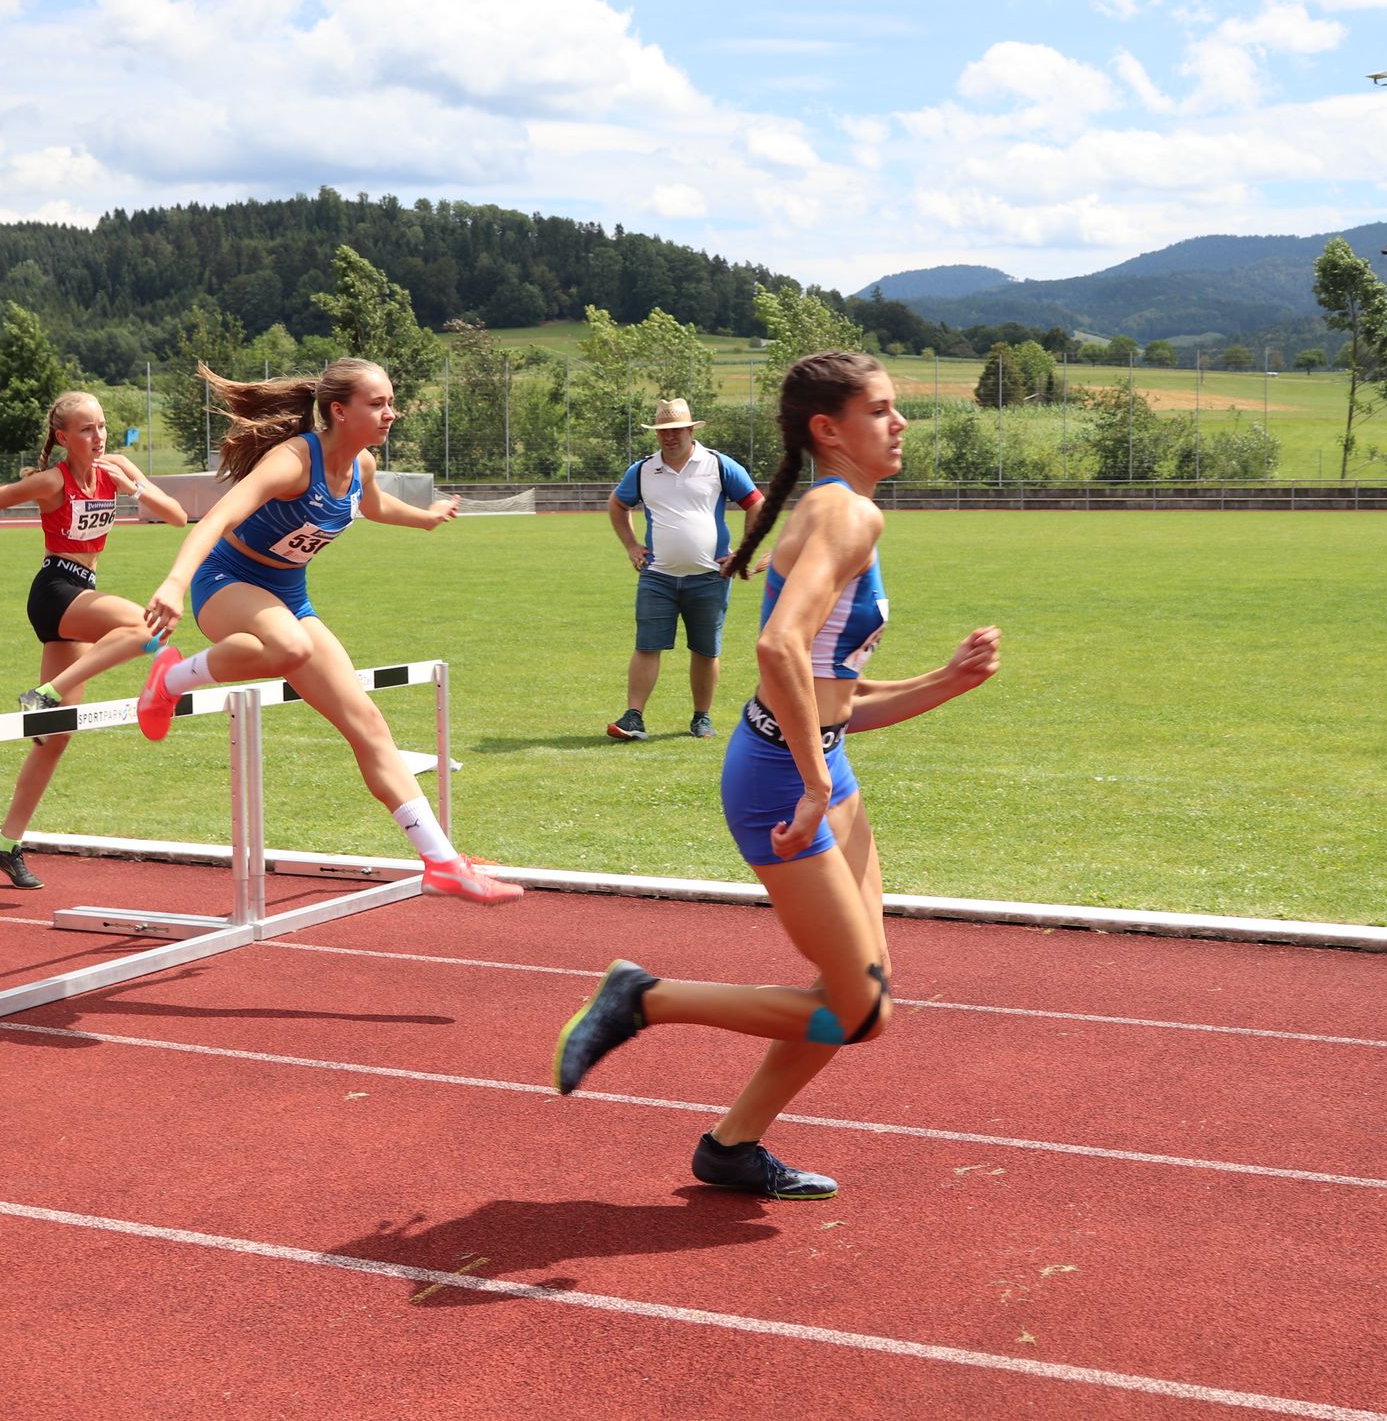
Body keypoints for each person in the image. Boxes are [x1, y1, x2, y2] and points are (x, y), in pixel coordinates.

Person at [552, 351, 1001, 1198]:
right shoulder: (846, 517)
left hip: (809, 759)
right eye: (881, 410)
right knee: (859, 1012)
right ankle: (642, 999)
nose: (899, 423)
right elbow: (777, 649)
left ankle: (731, 1148)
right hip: (779, 776)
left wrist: (945, 682)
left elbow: (835, 695)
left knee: (854, 993)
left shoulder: (840, 509)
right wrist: (813, 784)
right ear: (830, 430)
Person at [135, 359, 521, 906]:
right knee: (288, 645)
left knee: (368, 723)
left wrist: (426, 518)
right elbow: (218, 518)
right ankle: (170, 681)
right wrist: (174, 584)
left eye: (392, 401)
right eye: (379, 403)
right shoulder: (291, 461)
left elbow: (375, 504)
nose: (392, 413)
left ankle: (441, 863)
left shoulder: (360, 465)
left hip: (289, 593)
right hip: (224, 581)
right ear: (339, 410)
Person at [0, 390, 189, 889]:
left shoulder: (116, 466)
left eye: (101, 427)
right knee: (148, 625)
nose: (98, 437)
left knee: (55, 738)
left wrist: (133, 489)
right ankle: (45, 694)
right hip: (55, 591)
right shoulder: (51, 482)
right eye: (86, 429)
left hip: (81, 594)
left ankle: (7, 845)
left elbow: (178, 516)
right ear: (63, 437)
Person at [605, 398, 765, 742]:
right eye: (663, 431)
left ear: (691, 430)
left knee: (706, 650)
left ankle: (701, 718)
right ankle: (634, 717)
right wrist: (632, 546)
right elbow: (618, 505)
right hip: (657, 576)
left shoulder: (718, 465)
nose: (670, 437)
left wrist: (742, 552)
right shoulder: (643, 470)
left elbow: (755, 502)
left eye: (676, 430)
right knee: (646, 645)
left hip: (710, 576)